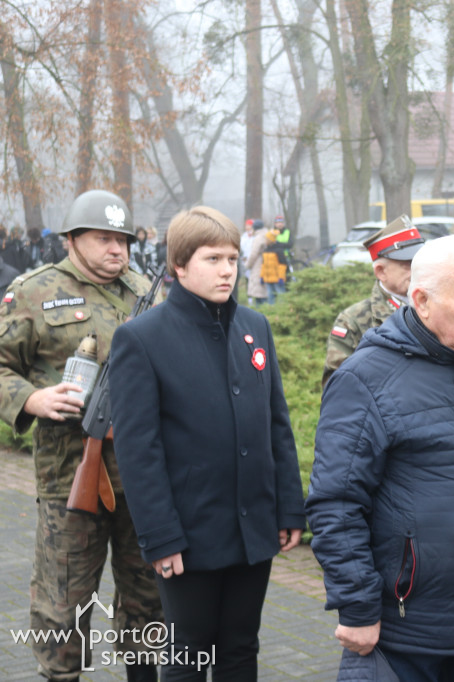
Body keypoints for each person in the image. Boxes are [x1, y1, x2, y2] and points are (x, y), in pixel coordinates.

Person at [307, 235, 454, 681]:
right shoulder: (366, 379)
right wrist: (357, 606)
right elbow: (336, 503)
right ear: (421, 300)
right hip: (404, 639)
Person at [108, 205, 306, 681]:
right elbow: (139, 450)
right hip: (189, 534)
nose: (227, 271)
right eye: (212, 259)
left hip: (252, 526)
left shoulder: (253, 327)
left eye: (233, 259)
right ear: (179, 265)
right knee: (190, 654)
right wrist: (159, 536)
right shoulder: (141, 339)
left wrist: (288, 508)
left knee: (241, 648)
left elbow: (276, 423)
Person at [0, 189, 163, 682]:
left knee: (147, 596)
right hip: (71, 477)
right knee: (62, 601)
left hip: (143, 478)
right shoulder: (33, 291)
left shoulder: (144, 291)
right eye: (104, 239)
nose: (118, 250)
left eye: (124, 240)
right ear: (71, 240)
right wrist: (31, 399)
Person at [321, 216, 425, 389]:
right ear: (381, 271)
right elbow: (338, 387)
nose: (417, 269)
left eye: (419, 262)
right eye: (407, 264)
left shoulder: (438, 306)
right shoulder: (353, 320)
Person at [244, 219, 268, 304]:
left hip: (258, 264)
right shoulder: (266, 235)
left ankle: (261, 309)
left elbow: (254, 253)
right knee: (263, 289)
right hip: (266, 264)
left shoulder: (258, 238)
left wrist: (247, 265)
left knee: (259, 290)